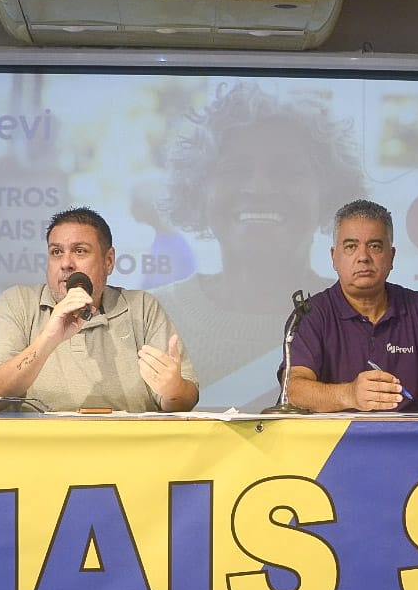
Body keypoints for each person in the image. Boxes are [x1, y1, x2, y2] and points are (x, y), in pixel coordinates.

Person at [152, 81, 365, 408]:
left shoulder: (361, 314)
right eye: (235, 170)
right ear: (198, 190)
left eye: (287, 171)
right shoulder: (156, 314)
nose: (260, 188)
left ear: (328, 193)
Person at [0, 207, 199, 413]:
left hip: (125, 442)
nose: (66, 263)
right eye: (56, 252)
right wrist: (49, 339)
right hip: (40, 442)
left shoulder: (142, 307)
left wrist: (174, 390)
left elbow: (185, 399)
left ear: (108, 261)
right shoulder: (18, 303)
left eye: (80, 251)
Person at [284, 200, 418, 412]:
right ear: (334, 257)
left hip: (408, 433)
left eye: (375, 246)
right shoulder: (311, 313)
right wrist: (349, 394)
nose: (363, 257)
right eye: (351, 246)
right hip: (337, 434)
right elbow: (294, 390)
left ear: (391, 256)